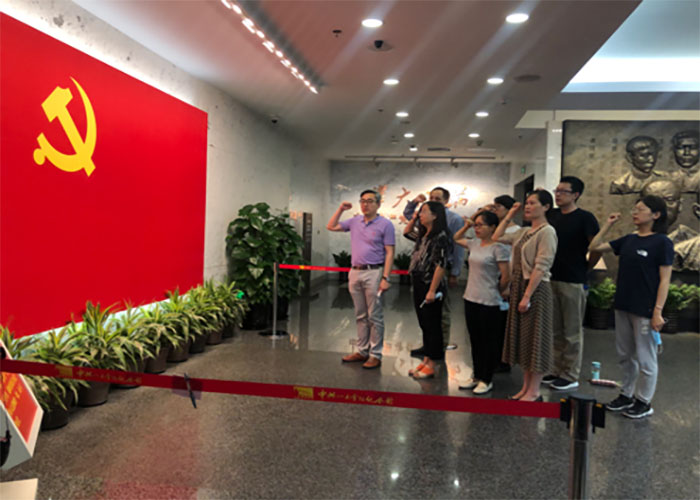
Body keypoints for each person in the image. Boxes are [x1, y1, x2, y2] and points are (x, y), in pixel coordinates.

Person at [588, 195, 673, 419]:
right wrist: (608, 225)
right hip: (623, 304)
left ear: (656, 215)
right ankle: (626, 395)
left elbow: (665, 279)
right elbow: (594, 246)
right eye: (634, 209)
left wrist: (658, 311)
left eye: (641, 209)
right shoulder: (629, 239)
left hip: (645, 309)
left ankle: (644, 401)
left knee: (646, 358)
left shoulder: (662, 242)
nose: (635, 212)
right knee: (625, 355)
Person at [493, 190, 558, 401]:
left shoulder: (547, 231)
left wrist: (527, 295)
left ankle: (534, 390)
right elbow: (496, 237)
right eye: (527, 203)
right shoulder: (523, 231)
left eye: (533, 203)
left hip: (535, 288)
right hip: (520, 285)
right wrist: (510, 215)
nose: (528, 207)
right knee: (524, 339)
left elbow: (542, 265)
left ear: (546, 207)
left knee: (536, 339)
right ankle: (525, 387)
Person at [327, 189, 395, 369]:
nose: (365, 204)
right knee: (360, 314)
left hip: (374, 272)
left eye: (370, 201)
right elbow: (331, 226)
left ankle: (375, 354)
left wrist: (386, 277)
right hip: (355, 271)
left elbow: (390, 252)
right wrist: (341, 209)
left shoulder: (386, 224)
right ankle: (362, 350)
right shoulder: (355, 221)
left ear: (378, 204)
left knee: (374, 316)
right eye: (363, 201)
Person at [544, 177, 600, 391]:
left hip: (573, 279)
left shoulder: (585, 218)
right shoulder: (552, 216)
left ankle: (570, 374)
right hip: (551, 277)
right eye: (556, 191)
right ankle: (555, 369)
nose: (558, 195)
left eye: (563, 191)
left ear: (576, 195)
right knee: (555, 329)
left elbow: (596, 247)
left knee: (572, 331)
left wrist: (587, 267)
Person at [453, 209, 510, 394]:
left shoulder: (498, 247)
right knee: (475, 339)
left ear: (493, 227)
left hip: (490, 300)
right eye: (475, 225)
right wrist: (467, 225)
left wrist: (498, 290)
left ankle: (487, 379)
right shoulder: (474, 243)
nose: (476, 228)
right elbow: (456, 238)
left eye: (480, 225)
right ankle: (477, 376)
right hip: (470, 297)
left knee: (489, 342)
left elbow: (506, 276)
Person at [404, 187, 465, 354]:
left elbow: (451, 255)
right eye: (431, 198)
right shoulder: (424, 234)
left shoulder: (446, 229)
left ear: (445, 201)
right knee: (424, 316)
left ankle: (438, 348)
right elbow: (407, 230)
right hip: (421, 277)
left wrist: (455, 272)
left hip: (434, 276)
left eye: (437, 199)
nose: (433, 201)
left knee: (438, 315)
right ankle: (429, 347)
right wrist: (416, 211)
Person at [404, 201, 451, 379]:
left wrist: (432, 290)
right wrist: (414, 218)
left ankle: (433, 364)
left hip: (431, 284)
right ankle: (426, 359)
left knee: (433, 324)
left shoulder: (441, 236)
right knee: (424, 323)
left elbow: (441, 264)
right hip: (419, 282)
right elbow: (406, 232)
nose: (420, 215)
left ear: (435, 215)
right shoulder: (424, 235)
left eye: (424, 212)